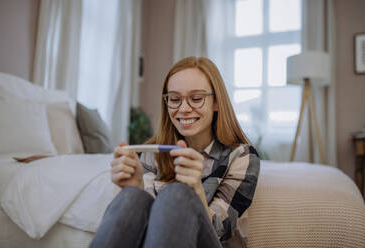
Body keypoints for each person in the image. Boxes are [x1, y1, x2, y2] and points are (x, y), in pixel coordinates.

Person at [89, 56, 260, 248]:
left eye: (196, 98)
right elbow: (152, 232)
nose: (184, 109)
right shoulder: (151, 153)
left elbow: (221, 231)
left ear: (216, 102)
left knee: (177, 194)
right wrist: (133, 187)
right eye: (175, 99)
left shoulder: (242, 156)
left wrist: (195, 191)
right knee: (131, 197)